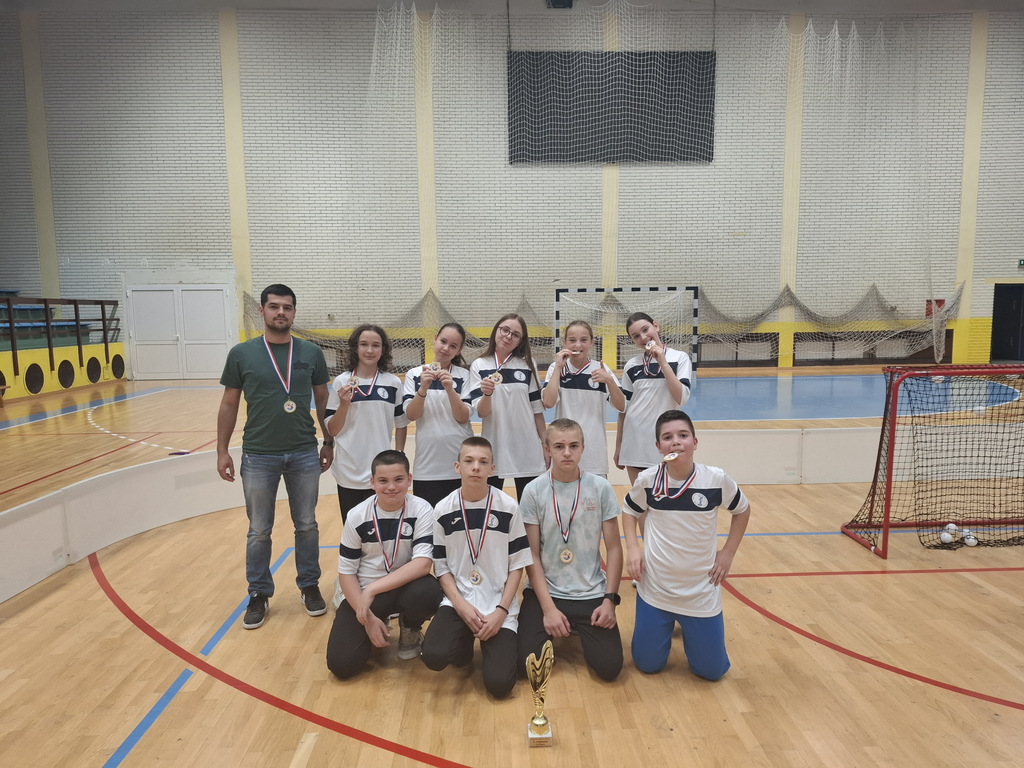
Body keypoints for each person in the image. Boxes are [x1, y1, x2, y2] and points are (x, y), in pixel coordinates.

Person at [217, 284, 333, 630]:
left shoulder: (311, 352)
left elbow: (323, 400)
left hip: (304, 451)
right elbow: (229, 404)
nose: (280, 312)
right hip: (258, 454)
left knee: (307, 524)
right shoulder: (242, 354)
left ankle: (309, 586)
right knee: (258, 530)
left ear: (294, 312)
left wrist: (328, 441)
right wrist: (222, 450)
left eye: (287, 307)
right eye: (274, 306)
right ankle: (258, 593)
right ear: (262, 311)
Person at [621, 410, 750, 680]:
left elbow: (742, 510)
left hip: (700, 592)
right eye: (667, 437)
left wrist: (728, 553)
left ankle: (691, 631)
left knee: (712, 672)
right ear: (659, 447)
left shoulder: (715, 480)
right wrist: (633, 548)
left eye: (683, 435)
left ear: (695, 442)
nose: (676, 442)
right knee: (647, 665)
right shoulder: (648, 480)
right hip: (656, 590)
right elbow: (630, 510)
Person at [421, 436, 532, 698]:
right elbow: (441, 568)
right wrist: (460, 606)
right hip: (459, 601)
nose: (475, 467)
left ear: (492, 469)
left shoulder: (509, 507)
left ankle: (490, 640)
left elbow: (518, 566)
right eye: (469, 461)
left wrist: (501, 611)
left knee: (500, 685)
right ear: (457, 466)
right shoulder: (442, 510)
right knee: (434, 656)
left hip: (498, 604)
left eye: (483, 462)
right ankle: (463, 643)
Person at [516, 419, 624, 681]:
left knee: (610, 669)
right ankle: (560, 621)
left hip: (590, 592)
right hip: (547, 592)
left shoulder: (600, 488)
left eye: (573, 446)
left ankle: (576, 624)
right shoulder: (533, 491)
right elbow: (531, 555)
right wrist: (549, 609)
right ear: (547, 449)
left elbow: (614, 548)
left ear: (583, 448)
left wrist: (609, 600)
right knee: (525, 667)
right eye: (559, 446)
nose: (567, 453)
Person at [326, 450, 443, 678]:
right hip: (363, 593)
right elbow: (346, 573)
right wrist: (368, 618)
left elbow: (422, 564)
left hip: (401, 587)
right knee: (342, 666)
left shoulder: (422, 509)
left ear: (409, 480)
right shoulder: (357, 516)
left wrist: (373, 589)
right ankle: (369, 616)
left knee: (429, 592)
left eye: (398, 479)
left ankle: (410, 628)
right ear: (372, 482)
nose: (391, 487)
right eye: (383, 481)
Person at [326, 324, 408, 522]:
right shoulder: (341, 382)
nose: (370, 350)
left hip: (382, 472)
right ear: (355, 348)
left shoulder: (393, 383)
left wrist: (399, 455)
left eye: (375, 345)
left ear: (383, 349)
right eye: (364, 344)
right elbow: (333, 429)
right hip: (349, 471)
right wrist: (344, 405)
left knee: (383, 529)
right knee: (354, 529)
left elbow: (401, 423)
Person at [467, 313, 546, 499]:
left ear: (520, 341)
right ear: (496, 330)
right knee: (491, 505)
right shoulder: (479, 365)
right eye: (505, 330)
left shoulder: (527, 365)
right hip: (495, 446)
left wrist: (545, 444)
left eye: (515, 334)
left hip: (527, 447)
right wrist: (487, 394)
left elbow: (537, 410)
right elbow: (482, 412)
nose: (508, 336)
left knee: (530, 507)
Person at [615, 312, 693, 485]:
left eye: (645, 330)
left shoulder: (679, 358)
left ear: (656, 326)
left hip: (665, 441)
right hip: (634, 441)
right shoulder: (632, 365)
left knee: (670, 495)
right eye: (636, 336)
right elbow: (624, 410)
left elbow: (681, 397)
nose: (643, 337)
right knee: (640, 497)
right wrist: (619, 446)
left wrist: (663, 362)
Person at [402, 323, 474, 507]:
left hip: (460, 466)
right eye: (443, 341)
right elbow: (411, 414)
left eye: (453, 346)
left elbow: (463, 417)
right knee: (429, 522)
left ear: (459, 350)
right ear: (435, 339)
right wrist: (423, 388)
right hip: (427, 468)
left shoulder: (464, 375)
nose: (446, 348)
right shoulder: (414, 374)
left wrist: (450, 390)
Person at [542, 320, 625, 477]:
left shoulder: (601, 369)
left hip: (594, 454)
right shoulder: (556, 367)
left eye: (584, 340)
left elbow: (622, 406)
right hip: (564, 453)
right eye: (572, 340)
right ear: (565, 342)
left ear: (592, 343)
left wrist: (609, 381)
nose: (578, 345)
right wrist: (558, 367)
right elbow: (548, 402)